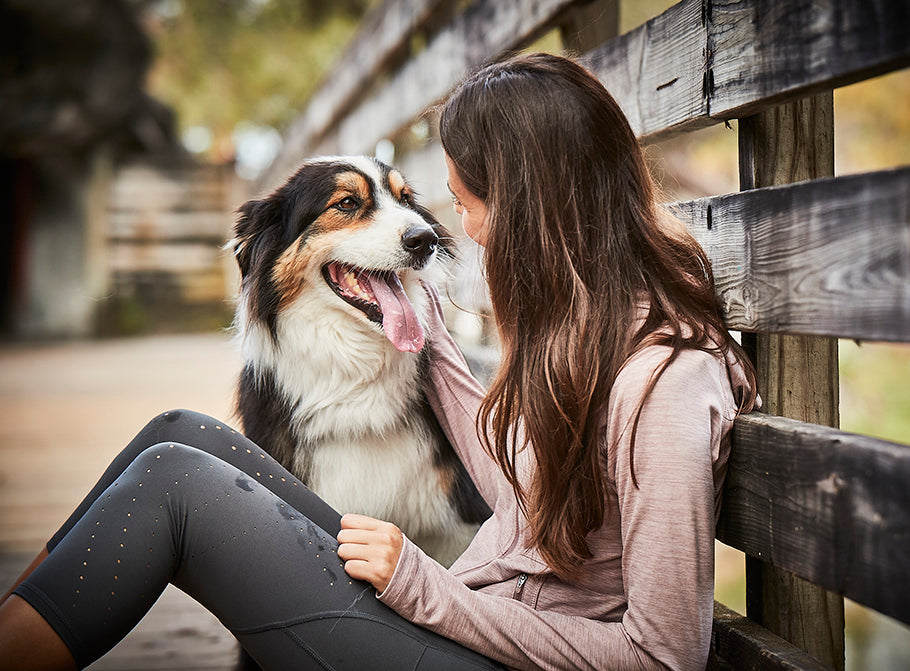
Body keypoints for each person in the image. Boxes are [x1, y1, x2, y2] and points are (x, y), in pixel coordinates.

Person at [0, 52, 757, 671]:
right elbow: (524, 498)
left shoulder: (666, 384)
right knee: (180, 432)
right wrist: (423, 336)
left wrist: (425, 588)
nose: (460, 231)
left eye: (467, 204)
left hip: (473, 643)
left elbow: (665, 657)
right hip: (468, 622)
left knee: (175, 483)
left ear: (530, 205)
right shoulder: (596, 331)